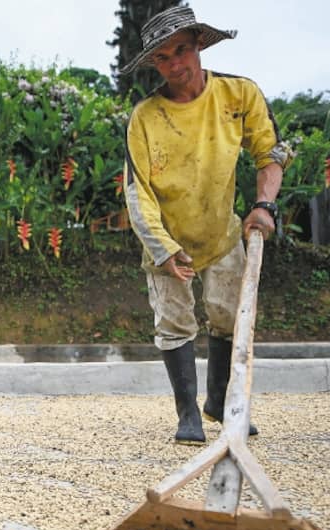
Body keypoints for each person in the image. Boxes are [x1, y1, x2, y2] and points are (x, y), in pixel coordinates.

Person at [120, 7, 292, 445]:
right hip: (165, 237)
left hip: (220, 234)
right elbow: (137, 191)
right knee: (174, 322)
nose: (175, 65)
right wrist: (162, 247)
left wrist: (264, 206)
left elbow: (270, 153)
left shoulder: (238, 94)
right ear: (154, 65)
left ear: (199, 45)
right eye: (162, 58)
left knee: (229, 316)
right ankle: (188, 415)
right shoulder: (145, 116)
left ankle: (219, 402)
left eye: (181, 51)